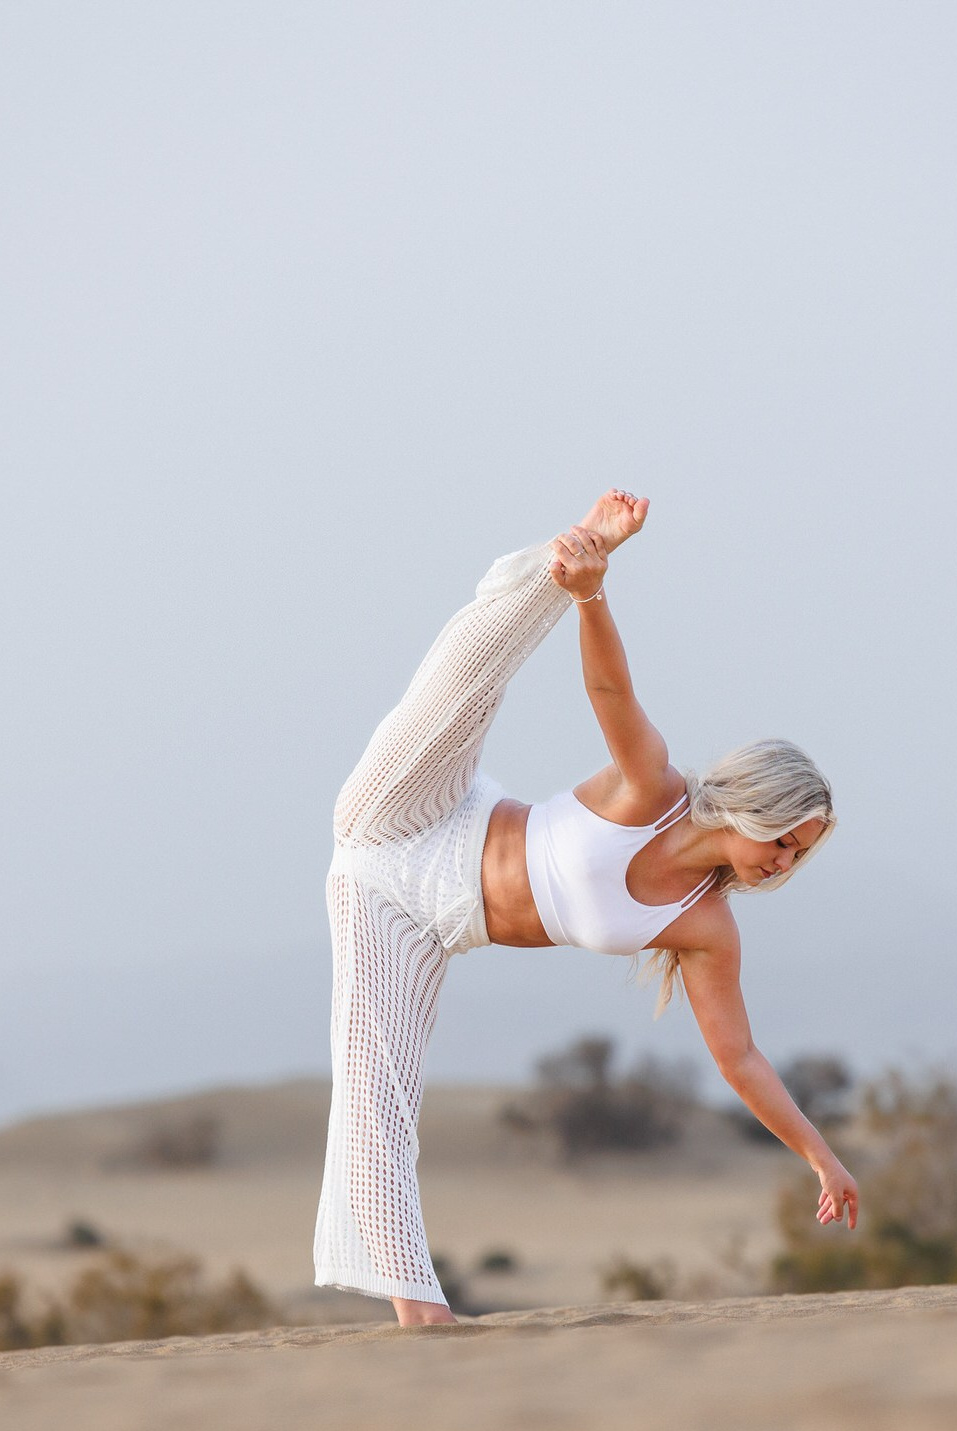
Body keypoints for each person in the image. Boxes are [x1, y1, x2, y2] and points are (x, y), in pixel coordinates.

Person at [314, 490, 861, 1326]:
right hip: (419, 812)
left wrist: (822, 1160)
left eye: (799, 855)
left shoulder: (707, 929)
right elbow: (611, 690)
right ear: (754, 805)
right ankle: (570, 557)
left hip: (421, 920)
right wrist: (590, 595)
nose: (783, 862)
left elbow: (741, 1059)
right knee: (468, 686)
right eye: (785, 838)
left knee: (377, 1099)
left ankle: (419, 1315)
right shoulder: (653, 787)